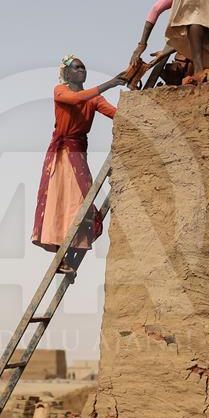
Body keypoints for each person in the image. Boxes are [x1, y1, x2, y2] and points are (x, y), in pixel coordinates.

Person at [31, 56, 125, 273]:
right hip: (62, 154)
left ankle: (69, 254)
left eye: (83, 67)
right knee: (61, 201)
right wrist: (110, 83)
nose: (81, 70)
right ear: (67, 73)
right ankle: (60, 256)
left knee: (79, 203)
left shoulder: (94, 99)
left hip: (78, 154)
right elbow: (75, 100)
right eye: (76, 67)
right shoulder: (60, 91)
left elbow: (115, 114)